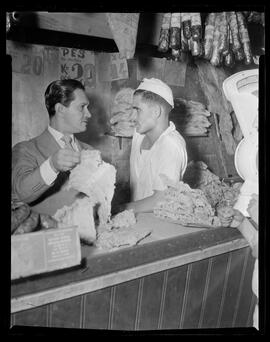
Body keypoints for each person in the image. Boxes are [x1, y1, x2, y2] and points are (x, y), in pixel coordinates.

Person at [12, 79, 93, 216]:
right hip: (50, 236)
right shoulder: (25, 149)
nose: (89, 114)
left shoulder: (90, 151)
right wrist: (52, 166)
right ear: (60, 109)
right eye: (82, 107)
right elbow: (21, 193)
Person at [122, 78, 187, 214]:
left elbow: (161, 199)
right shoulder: (138, 135)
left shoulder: (171, 145)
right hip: (136, 218)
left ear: (156, 112)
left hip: (160, 225)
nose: (131, 117)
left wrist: (119, 209)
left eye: (137, 110)